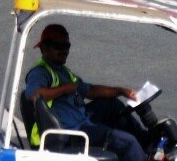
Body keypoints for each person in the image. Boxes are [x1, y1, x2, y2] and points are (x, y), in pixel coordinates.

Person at [22, 24, 148, 161]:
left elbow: (90, 90)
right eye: (59, 46)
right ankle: (137, 153)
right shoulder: (40, 72)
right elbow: (34, 94)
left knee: (113, 105)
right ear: (44, 48)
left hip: (81, 119)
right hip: (71, 132)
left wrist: (120, 91)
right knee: (127, 143)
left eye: (67, 46)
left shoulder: (62, 71)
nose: (64, 51)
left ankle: (147, 144)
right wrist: (64, 89)